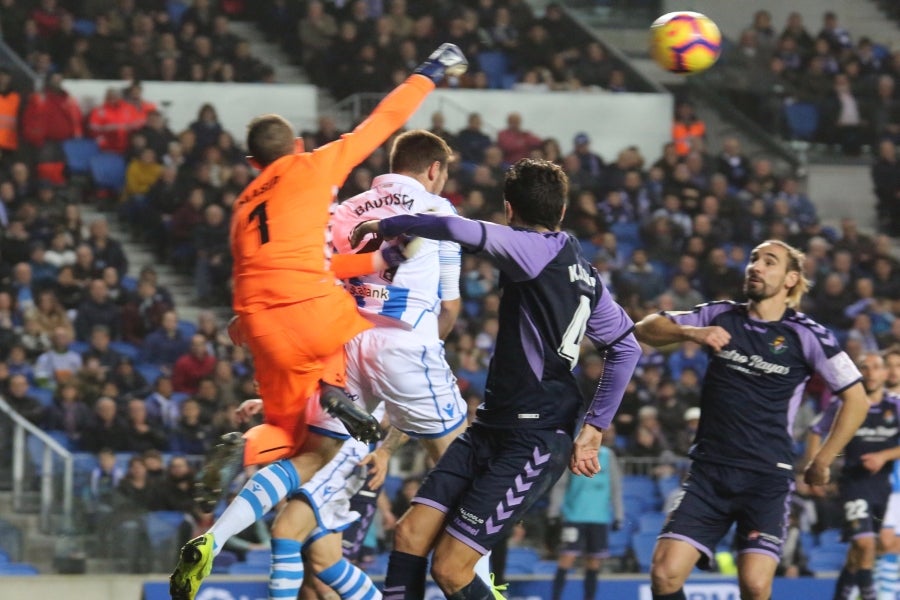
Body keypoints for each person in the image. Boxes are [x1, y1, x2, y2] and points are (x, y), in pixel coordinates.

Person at [169, 42, 468, 600]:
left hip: (260, 329)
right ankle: (339, 396)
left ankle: (218, 529)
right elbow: (385, 119)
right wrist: (430, 72)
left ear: (254, 164)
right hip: (322, 317)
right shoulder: (312, 166)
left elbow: (282, 266)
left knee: (295, 447)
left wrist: (375, 260)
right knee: (374, 346)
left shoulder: (240, 207)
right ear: (297, 146)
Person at [352, 158, 641, 599]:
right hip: (492, 427)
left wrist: (386, 222)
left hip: (535, 437)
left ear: (509, 209)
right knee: (409, 534)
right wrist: (595, 428)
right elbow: (626, 345)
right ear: (561, 212)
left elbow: (455, 228)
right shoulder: (585, 271)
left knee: (451, 568)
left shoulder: (530, 247)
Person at [637, 239, 870, 600]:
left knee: (755, 586)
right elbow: (645, 328)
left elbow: (856, 399)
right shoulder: (720, 314)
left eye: (769, 262)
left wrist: (822, 459)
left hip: (766, 477)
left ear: (791, 279)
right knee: (664, 575)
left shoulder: (808, 334)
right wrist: (691, 332)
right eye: (753, 259)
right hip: (709, 472)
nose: (756, 267)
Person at [806, 352, 900, 600]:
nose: (870, 373)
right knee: (865, 545)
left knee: (858, 555)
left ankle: (841, 596)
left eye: (875, 368)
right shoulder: (844, 403)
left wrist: (884, 456)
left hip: (883, 487)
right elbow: (816, 430)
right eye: (864, 368)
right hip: (854, 484)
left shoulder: (895, 405)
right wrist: (815, 465)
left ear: (884, 373)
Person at [548, 440, 623, 600]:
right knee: (566, 559)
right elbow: (560, 485)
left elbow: (616, 487)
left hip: (599, 517)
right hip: (574, 516)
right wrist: (554, 511)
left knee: (594, 562)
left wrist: (618, 515)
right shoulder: (573, 452)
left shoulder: (608, 456)